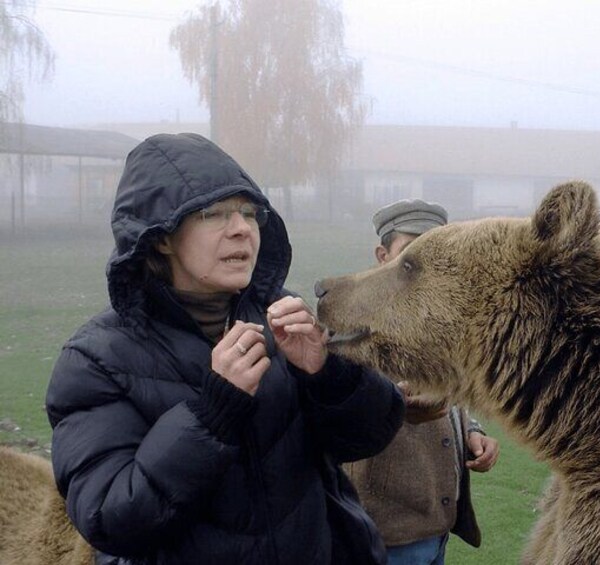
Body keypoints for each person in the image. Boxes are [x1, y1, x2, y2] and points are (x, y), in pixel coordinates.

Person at [45, 133, 405, 564]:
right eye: (213, 213)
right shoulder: (95, 361)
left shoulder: (282, 319)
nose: (241, 229)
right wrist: (213, 413)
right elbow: (110, 518)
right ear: (160, 237)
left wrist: (327, 373)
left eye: (250, 213)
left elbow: (370, 435)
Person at [343, 199, 501, 565]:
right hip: (386, 537)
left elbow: (451, 392)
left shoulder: (443, 322)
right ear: (383, 255)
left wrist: (473, 432)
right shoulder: (352, 321)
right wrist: (393, 406)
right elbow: (339, 415)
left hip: (438, 527)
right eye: (410, 254)